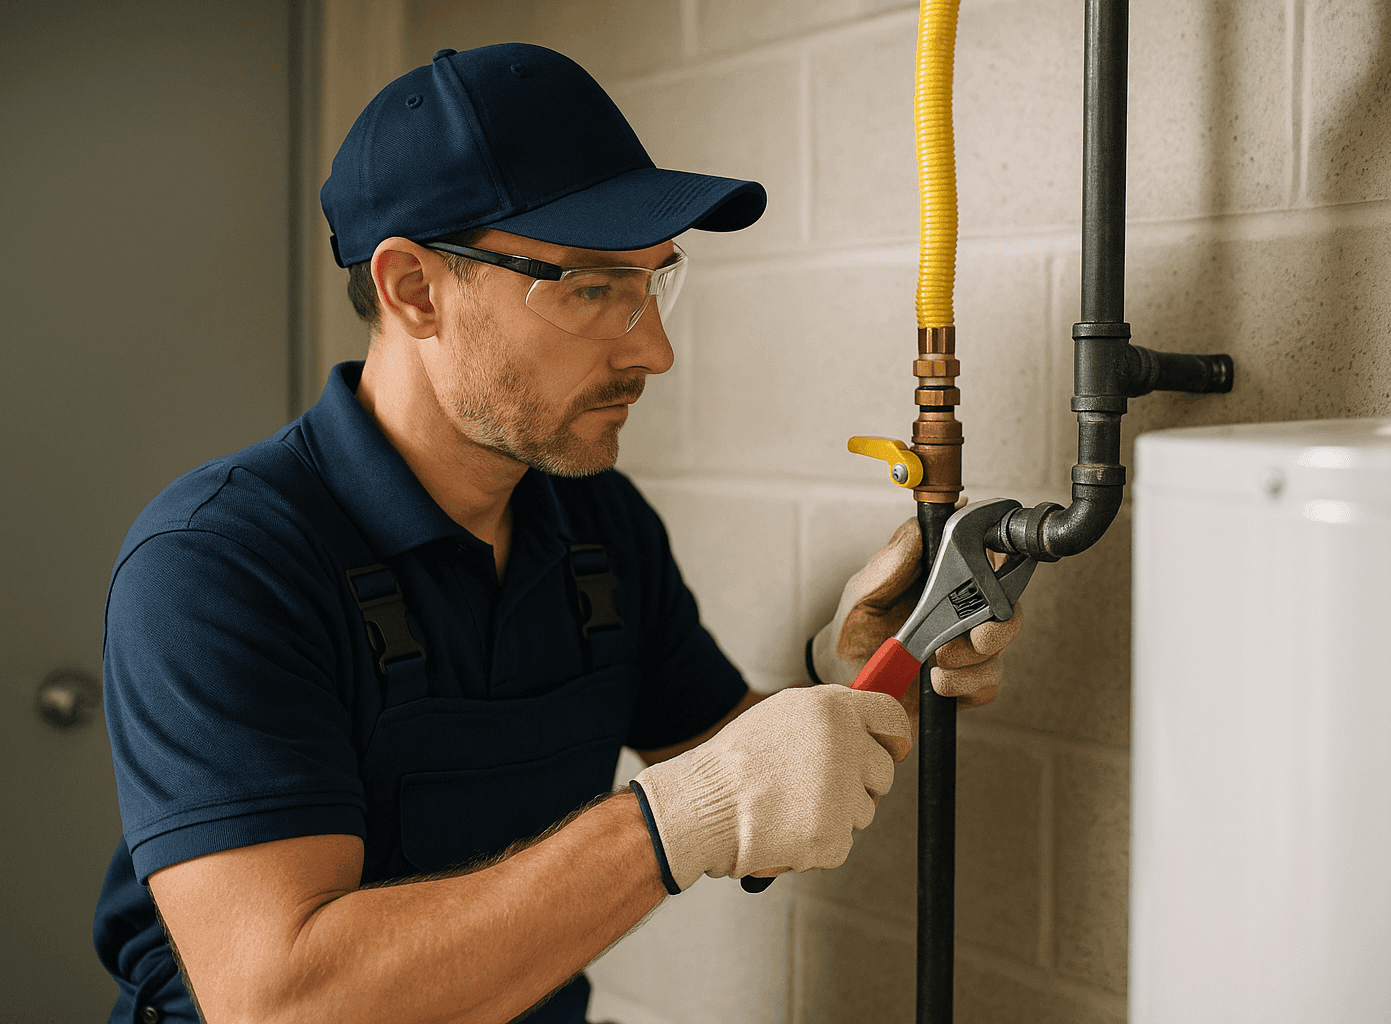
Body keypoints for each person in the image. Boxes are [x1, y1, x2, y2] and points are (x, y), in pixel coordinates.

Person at [92, 42, 1022, 1024]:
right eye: (592, 289)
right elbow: (284, 1001)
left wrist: (891, 660)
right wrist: (667, 828)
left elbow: (747, 771)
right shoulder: (219, 565)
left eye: (656, 283)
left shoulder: (596, 528)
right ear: (414, 289)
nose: (654, 350)